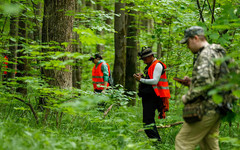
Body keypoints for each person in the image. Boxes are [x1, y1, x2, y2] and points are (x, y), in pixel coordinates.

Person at [175, 26, 226, 150]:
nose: (187, 46)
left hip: (206, 107)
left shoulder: (205, 55)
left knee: (183, 142)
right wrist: (192, 82)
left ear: (195, 38)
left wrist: (187, 98)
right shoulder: (216, 51)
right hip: (219, 105)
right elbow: (214, 80)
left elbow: (204, 83)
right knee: (209, 144)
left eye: (187, 42)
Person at [133, 47, 171, 142]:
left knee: (148, 122)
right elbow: (150, 78)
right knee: (148, 121)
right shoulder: (150, 65)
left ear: (151, 56)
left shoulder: (157, 65)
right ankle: (156, 141)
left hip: (154, 97)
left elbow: (155, 81)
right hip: (148, 96)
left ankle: (157, 142)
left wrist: (140, 79)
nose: (144, 62)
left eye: (145, 59)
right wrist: (142, 77)